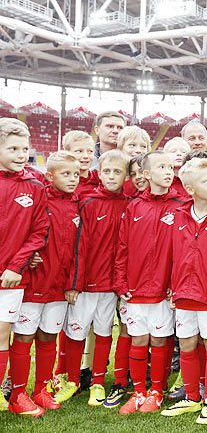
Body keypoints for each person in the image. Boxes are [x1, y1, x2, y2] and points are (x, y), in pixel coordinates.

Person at [161, 158, 207, 424]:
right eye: (206, 181)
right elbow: (171, 255)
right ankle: (192, 397)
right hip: (183, 294)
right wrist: (171, 287)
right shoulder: (178, 217)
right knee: (187, 343)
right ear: (190, 189)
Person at [55, 150, 131, 406]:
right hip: (85, 286)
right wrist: (74, 283)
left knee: (103, 331)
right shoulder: (87, 203)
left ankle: (98, 382)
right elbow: (79, 246)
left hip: (111, 287)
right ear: (99, 172)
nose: (111, 176)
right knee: (76, 333)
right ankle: (73, 381)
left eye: (117, 172)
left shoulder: (129, 204)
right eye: (107, 171)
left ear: (126, 176)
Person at [7, 151, 78, 417]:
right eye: (65, 174)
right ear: (49, 176)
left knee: (49, 335)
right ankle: (17, 393)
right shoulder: (38, 197)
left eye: (75, 174)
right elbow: (24, 232)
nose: (73, 179)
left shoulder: (76, 204)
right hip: (33, 281)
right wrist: (29, 257)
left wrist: (72, 281)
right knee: (24, 336)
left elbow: (78, 247)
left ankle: (41, 390)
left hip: (59, 286)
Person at [114, 151, 184, 414]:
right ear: (146, 174)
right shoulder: (134, 207)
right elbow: (122, 248)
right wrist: (121, 284)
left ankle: (156, 390)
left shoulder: (181, 204)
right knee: (138, 339)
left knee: (159, 341)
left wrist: (175, 284)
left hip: (163, 291)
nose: (169, 171)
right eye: (162, 167)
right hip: (135, 289)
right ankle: (138, 391)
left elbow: (185, 250)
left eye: (170, 166)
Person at [0, 118, 49, 416]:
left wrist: (16, 265)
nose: (21, 154)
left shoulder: (34, 185)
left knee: (3, 332)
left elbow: (39, 231)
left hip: (12, 277)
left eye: (25, 148)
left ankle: (13, 397)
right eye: (13, 148)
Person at [63, 130, 100, 200]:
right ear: (66, 153)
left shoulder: (101, 181)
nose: (86, 156)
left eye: (90, 151)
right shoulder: (59, 183)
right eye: (79, 151)